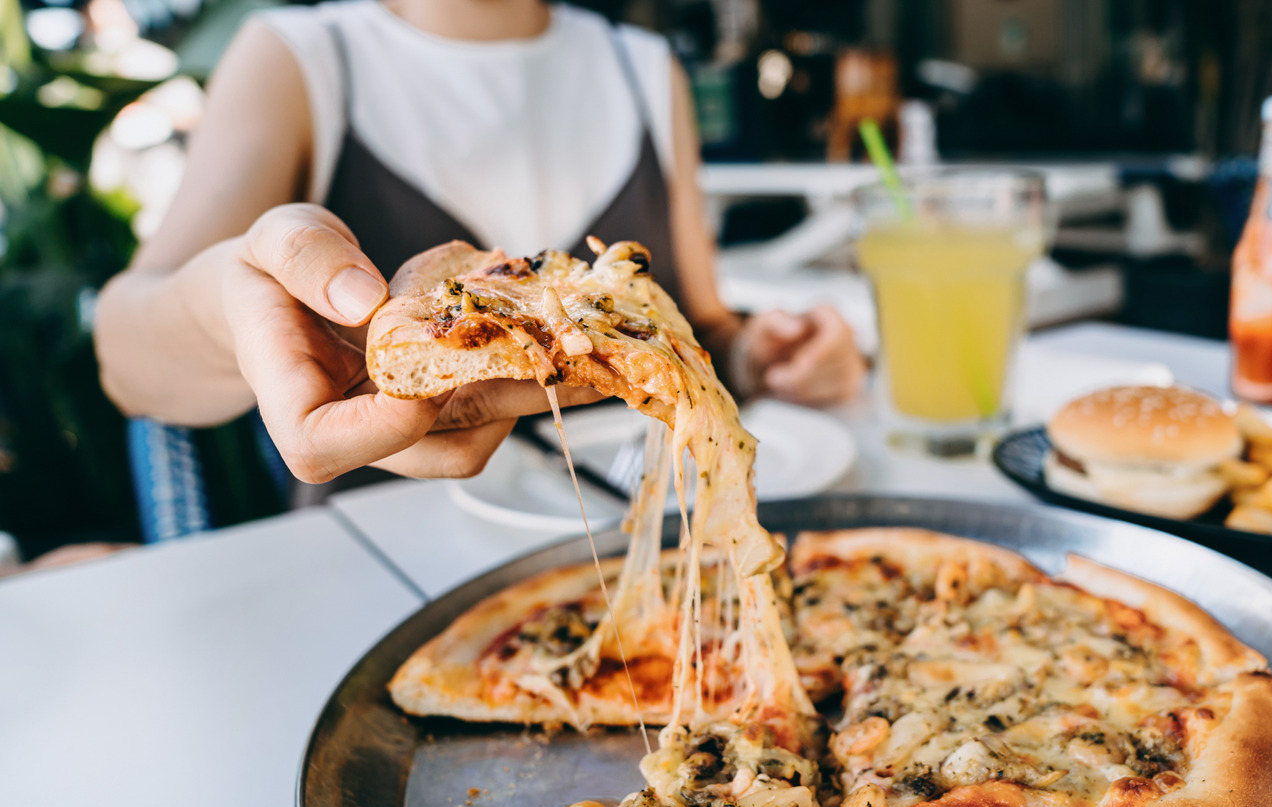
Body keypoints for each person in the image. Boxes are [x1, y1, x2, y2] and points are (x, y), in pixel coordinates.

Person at [93, 0, 865, 487]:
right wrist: (231, 307)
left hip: (647, 529)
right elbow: (126, 360)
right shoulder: (301, 57)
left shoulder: (645, 67)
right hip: (392, 570)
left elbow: (698, 326)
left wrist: (758, 355)